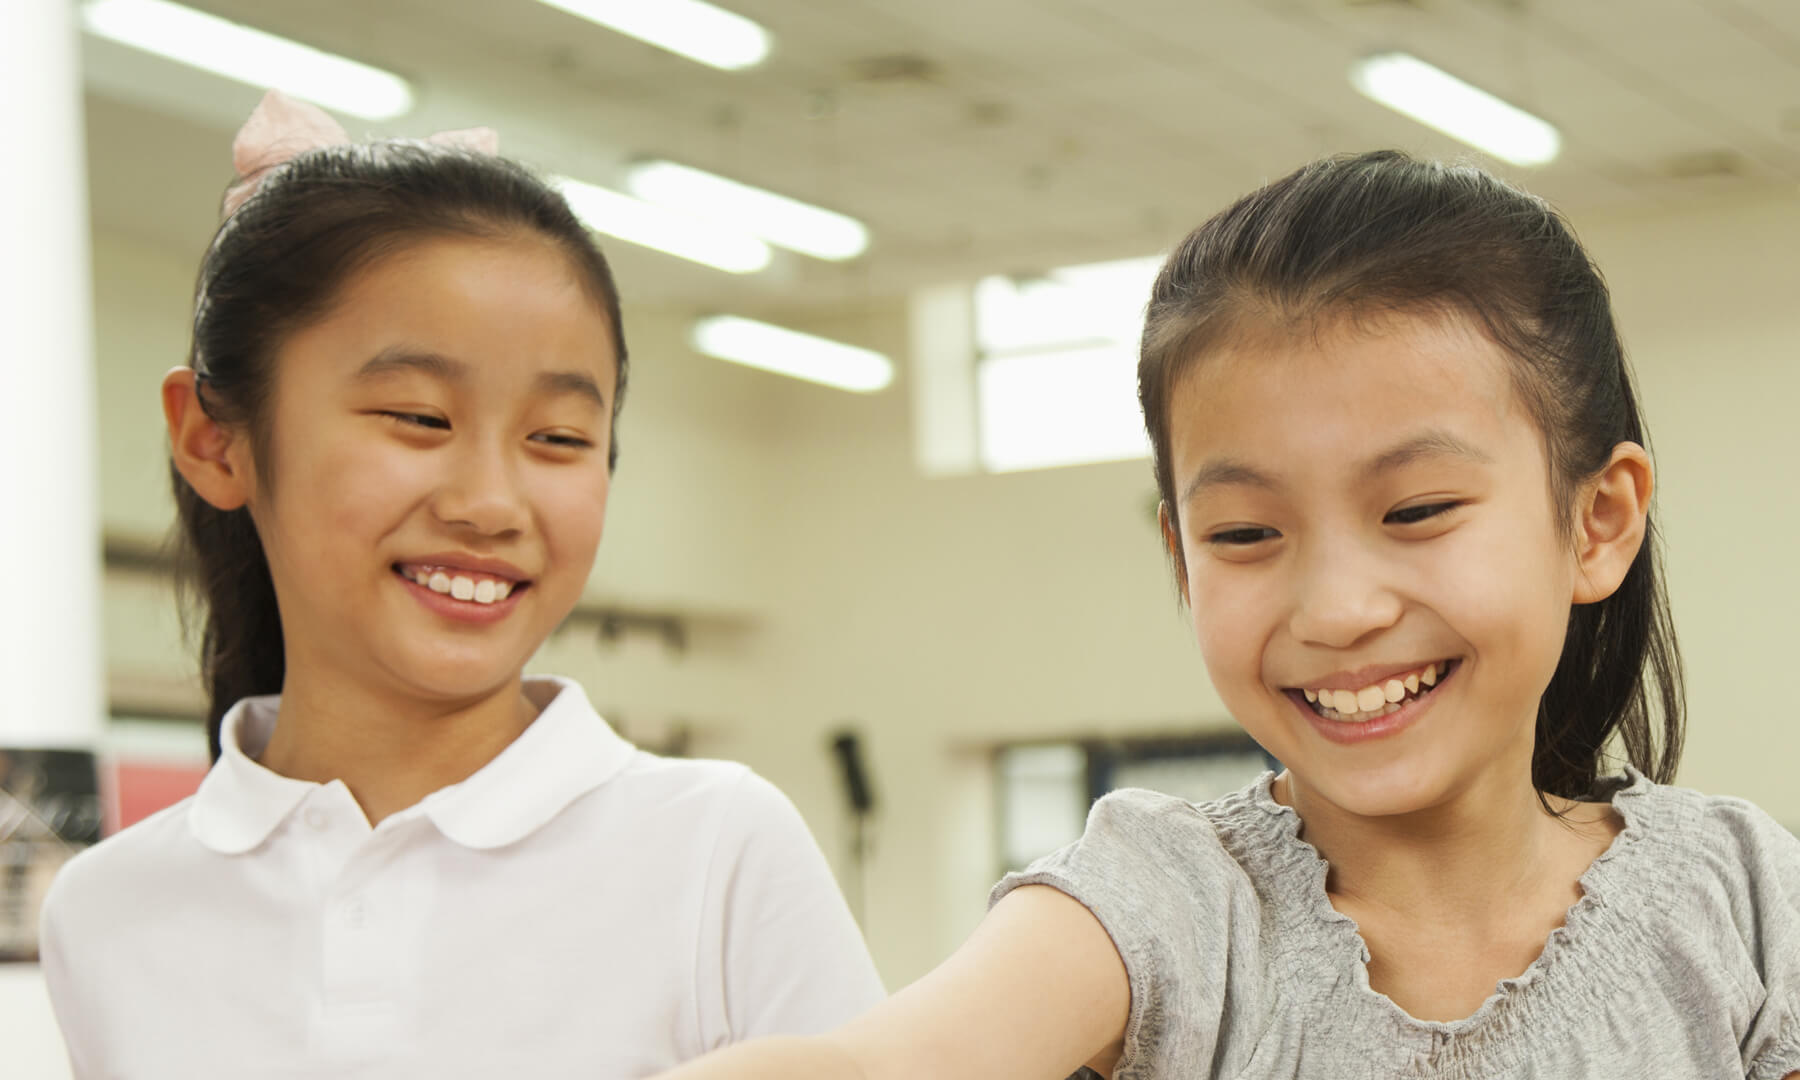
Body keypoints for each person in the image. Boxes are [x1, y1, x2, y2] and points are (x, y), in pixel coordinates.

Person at [650, 152, 1800, 1079]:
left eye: (1416, 509)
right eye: (1248, 534)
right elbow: (880, 1064)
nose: (1340, 609)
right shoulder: (1160, 907)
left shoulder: (1739, 900)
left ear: (1597, 522)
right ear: (1182, 558)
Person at [39, 91, 882, 1079]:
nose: (491, 502)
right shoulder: (108, 911)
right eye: (416, 417)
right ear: (213, 438)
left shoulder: (714, 846)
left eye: (559, 438)